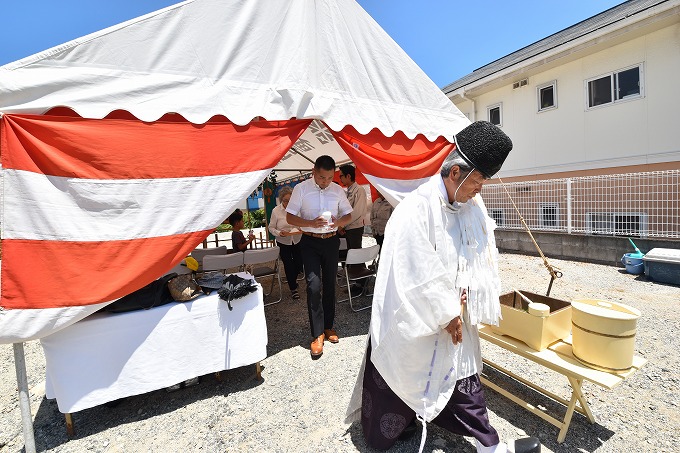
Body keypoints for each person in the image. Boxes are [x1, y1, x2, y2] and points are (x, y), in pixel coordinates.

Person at [345, 121, 541, 453]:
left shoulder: (470, 206)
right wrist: (447, 311)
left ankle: (489, 446)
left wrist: (469, 296)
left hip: (454, 313)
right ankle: (383, 434)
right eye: (477, 181)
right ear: (454, 173)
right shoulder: (415, 210)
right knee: (402, 371)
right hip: (420, 314)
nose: (479, 190)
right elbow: (414, 269)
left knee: (460, 376)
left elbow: (476, 253)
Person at [286, 155, 353, 358]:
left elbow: (349, 215)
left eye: (330, 178)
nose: (326, 182)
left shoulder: (337, 190)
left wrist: (338, 222)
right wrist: (310, 224)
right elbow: (289, 216)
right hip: (310, 241)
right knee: (314, 285)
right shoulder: (301, 189)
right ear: (314, 171)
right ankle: (317, 334)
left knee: (330, 284)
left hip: (331, 241)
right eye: (322, 177)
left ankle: (328, 327)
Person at [338, 164, 369, 294]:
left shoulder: (359, 190)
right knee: (353, 255)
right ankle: (361, 282)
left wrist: (342, 224)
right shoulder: (349, 191)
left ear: (348, 176)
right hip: (349, 227)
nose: (340, 179)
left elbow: (356, 212)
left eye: (341, 176)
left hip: (355, 228)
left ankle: (361, 284)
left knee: (356, 255)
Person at [268, 186, 304, 300]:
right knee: (288, 265)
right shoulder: (276, 211)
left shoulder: (298, 209)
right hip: (283, 242)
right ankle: (293, 288)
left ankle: (292, 280)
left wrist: (301, 228)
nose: (288, 203)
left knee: (299, 264)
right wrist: (279, 233)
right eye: (285, 200)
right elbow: (271, 227)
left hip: (297, 239)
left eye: (290, 200)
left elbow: (302, 223)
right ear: (281, 200)